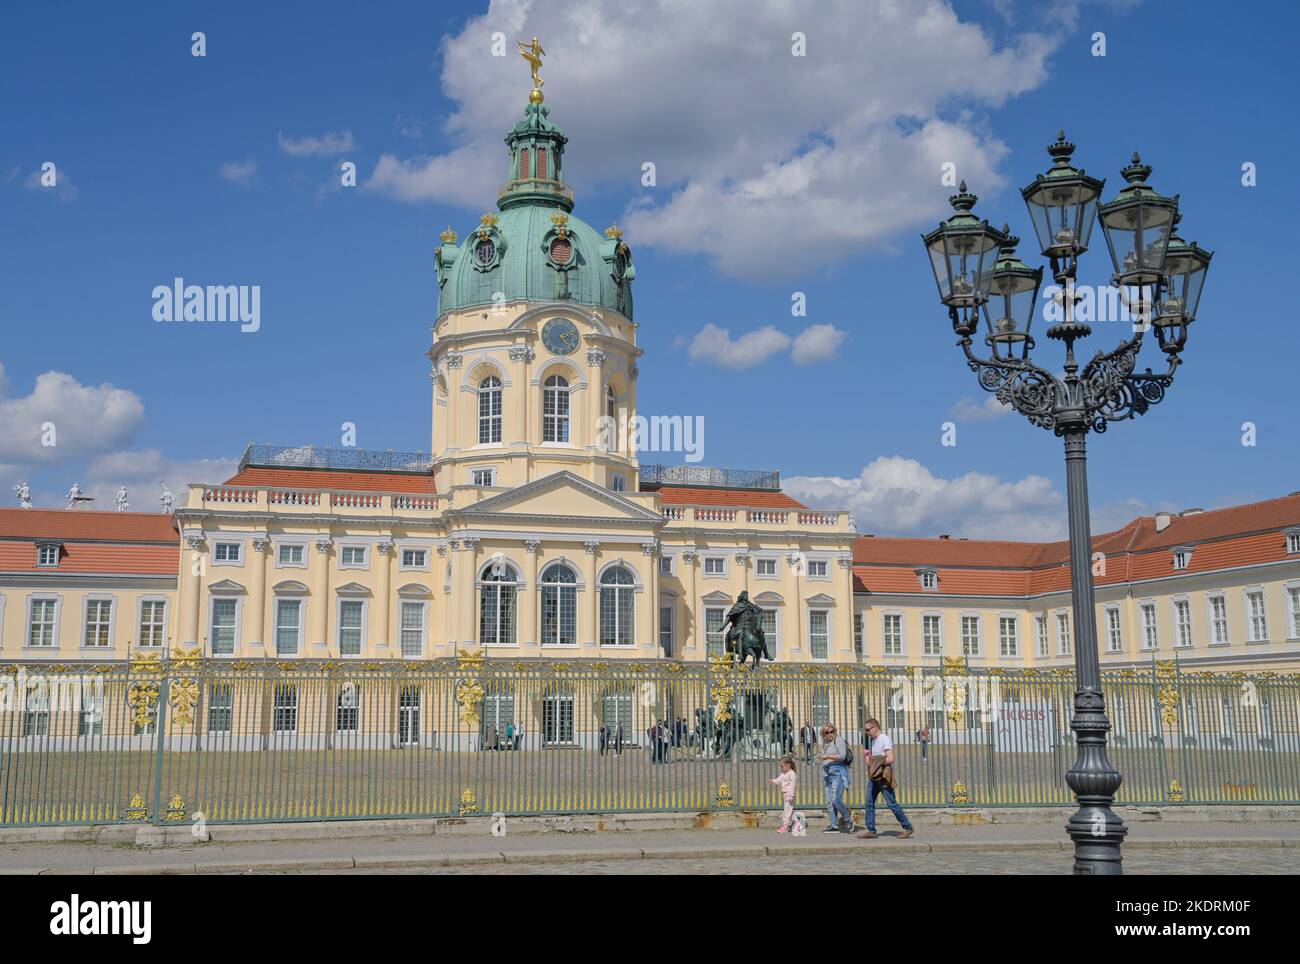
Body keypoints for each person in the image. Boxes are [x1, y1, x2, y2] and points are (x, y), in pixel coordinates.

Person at [858, 718, 914, 840]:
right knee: (869, 803)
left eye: (868, 730)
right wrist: (869, 760)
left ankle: (908, 827)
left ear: (875, 727)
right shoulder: (874, 741)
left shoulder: (885, 739)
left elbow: (890, 758)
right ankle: (871, 830)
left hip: (883, 776)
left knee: (892, 804)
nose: (867, 732)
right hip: (874, 777)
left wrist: (875, 761)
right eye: (865, 730)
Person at [818, 723, 854, 834]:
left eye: (831, 731)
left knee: (835, 799)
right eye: (826, 732)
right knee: (829, 801)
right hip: (827, 774)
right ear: (823, 734)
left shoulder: (838, 740)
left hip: (838, 774)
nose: (829, 734)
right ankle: (834, 825)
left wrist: (828, 756)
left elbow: (842, 756)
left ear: (835, 731)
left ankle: (848, 820)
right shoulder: (826, 743)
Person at [770, 756, 798, 833]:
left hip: (789, 794)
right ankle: (796, 823)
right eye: (781, 766)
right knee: (789, 810)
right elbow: (779, 779)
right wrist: (773, 781)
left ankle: (785, 826)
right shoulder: (784, 773)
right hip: (785, 794)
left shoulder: (792, 774)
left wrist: (791, 795)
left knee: (787, 811)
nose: (782, 768)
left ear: (788, 765)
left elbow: (793, 785)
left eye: (782, 766)